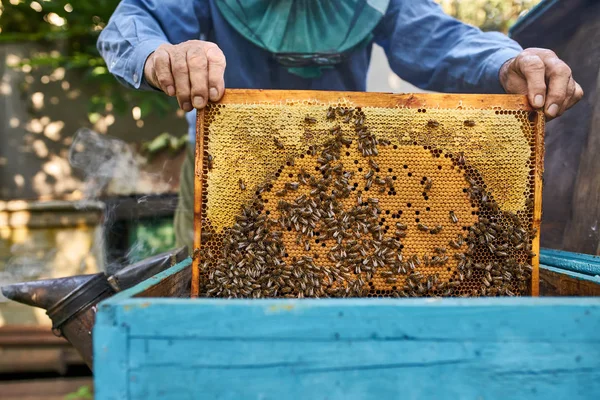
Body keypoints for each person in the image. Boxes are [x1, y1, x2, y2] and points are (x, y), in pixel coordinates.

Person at [98, 0, 583, 253]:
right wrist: (161, 55)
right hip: (224, 171)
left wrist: (505, 61)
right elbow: (132, 21)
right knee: (203, 311)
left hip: (339, 173)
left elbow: (439, 40)